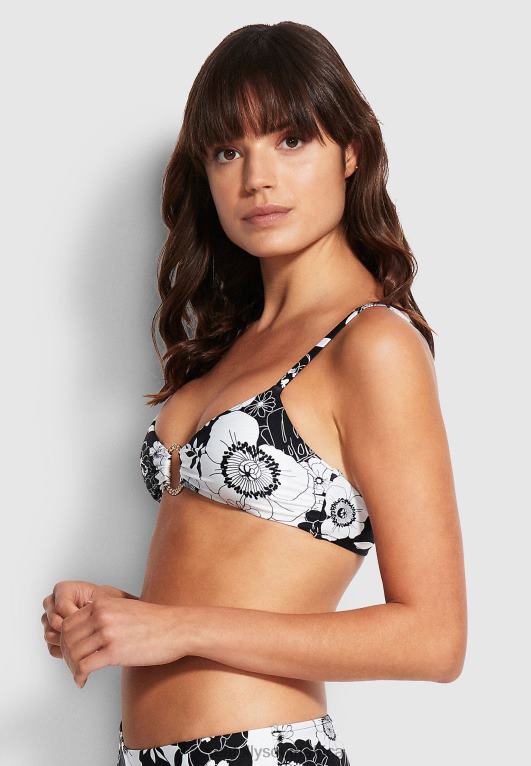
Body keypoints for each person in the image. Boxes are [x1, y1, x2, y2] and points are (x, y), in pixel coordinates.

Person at [41, 21, 467, 766]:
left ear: (351, 150)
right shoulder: (232, 345)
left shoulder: (371, 344)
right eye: (227, 151)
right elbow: (241, 581)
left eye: (290, 140)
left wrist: (179, 628)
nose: (256, 179)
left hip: (264, 751)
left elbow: (434, 638)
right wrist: (122, 620)